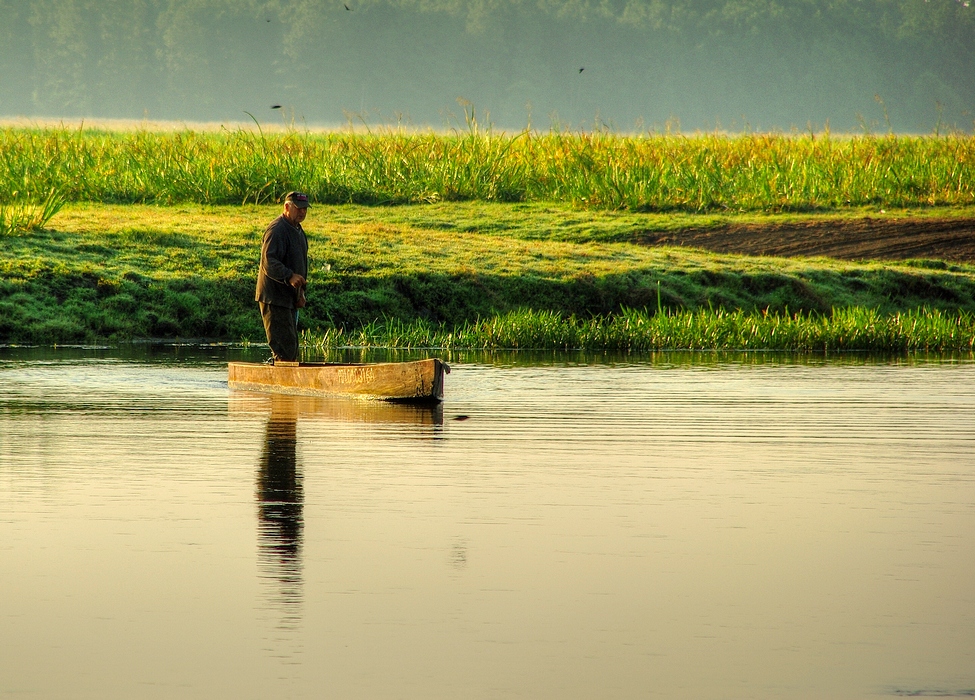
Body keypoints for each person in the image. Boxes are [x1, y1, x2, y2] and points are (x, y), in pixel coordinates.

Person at [256, 191, 310, 363]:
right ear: (287, 207)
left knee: (291, 347)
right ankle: (280, 384)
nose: (302, 212)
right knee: (284, 349)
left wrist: (300, 293)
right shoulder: (277, 229)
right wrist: (289, 276)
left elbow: (299, 266)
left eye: (305, 209)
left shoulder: (298, 230)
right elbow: (269, 262)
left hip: (289, 298)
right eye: (298, 208)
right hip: (274, 298)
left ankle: (281, 378)